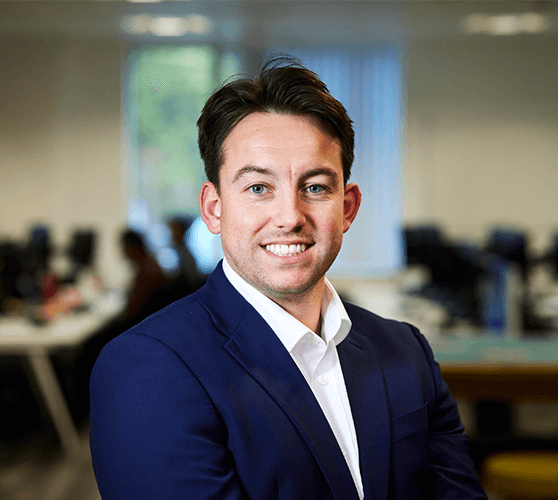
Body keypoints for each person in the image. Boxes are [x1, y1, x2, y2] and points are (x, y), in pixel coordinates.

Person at [90, 56, 487, 499]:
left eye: (315, 187)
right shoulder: (146, 368)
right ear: (214, 208)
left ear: (348, 207)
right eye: (258, 188)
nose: (289, 217)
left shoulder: (406, 351)